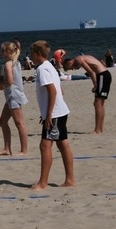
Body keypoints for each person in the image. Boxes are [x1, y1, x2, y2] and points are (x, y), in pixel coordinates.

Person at [30, 40, 75, 190]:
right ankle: (70, 180)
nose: (30, 57)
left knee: (45, 145)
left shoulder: (42, 69)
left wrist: (48, 114)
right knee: (63, 144)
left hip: (55, 114)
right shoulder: (50, 66)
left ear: (38, 54)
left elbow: (53, 91)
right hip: (60, 111)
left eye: (31, 54)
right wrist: (46, 112)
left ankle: (43, 183)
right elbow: (60, 90)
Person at [62, 53, 111, 134]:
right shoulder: (83, 57)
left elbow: (91, 72)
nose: (73, 69)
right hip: (104, 75)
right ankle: (100, 129)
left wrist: (95, 85)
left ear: (69, 62)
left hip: (102, 75)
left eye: (70, 68)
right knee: (99, 103)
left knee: (98, 103)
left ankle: (97, 130)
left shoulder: (78, 59)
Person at [0, 41, 28, 155]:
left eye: (3, 51)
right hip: (11, 95)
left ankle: (24, 150)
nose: (2, 53)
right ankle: (7, 148)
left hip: (13, 95)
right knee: (3, 121)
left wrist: (0, 82)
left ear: (8, 51)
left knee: (19, 123)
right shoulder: (16, 62)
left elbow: (9, 81)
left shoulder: (9, 64)